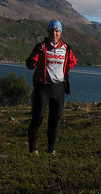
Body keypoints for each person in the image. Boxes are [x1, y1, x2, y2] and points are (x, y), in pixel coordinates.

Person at [26, 20, 77, 155]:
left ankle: (50, 150)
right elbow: (30, 65)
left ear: (60, 33)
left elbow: (72, 62)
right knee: (38, 118)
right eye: (51, 31)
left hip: (58, 88)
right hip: (42, 88)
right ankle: (33, 149)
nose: (54, 33)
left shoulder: (66, 48)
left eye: (57, 31)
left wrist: (62, 71)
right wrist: (35, 53)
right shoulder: (41, 47)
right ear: (48, 32)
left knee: (55, 120)